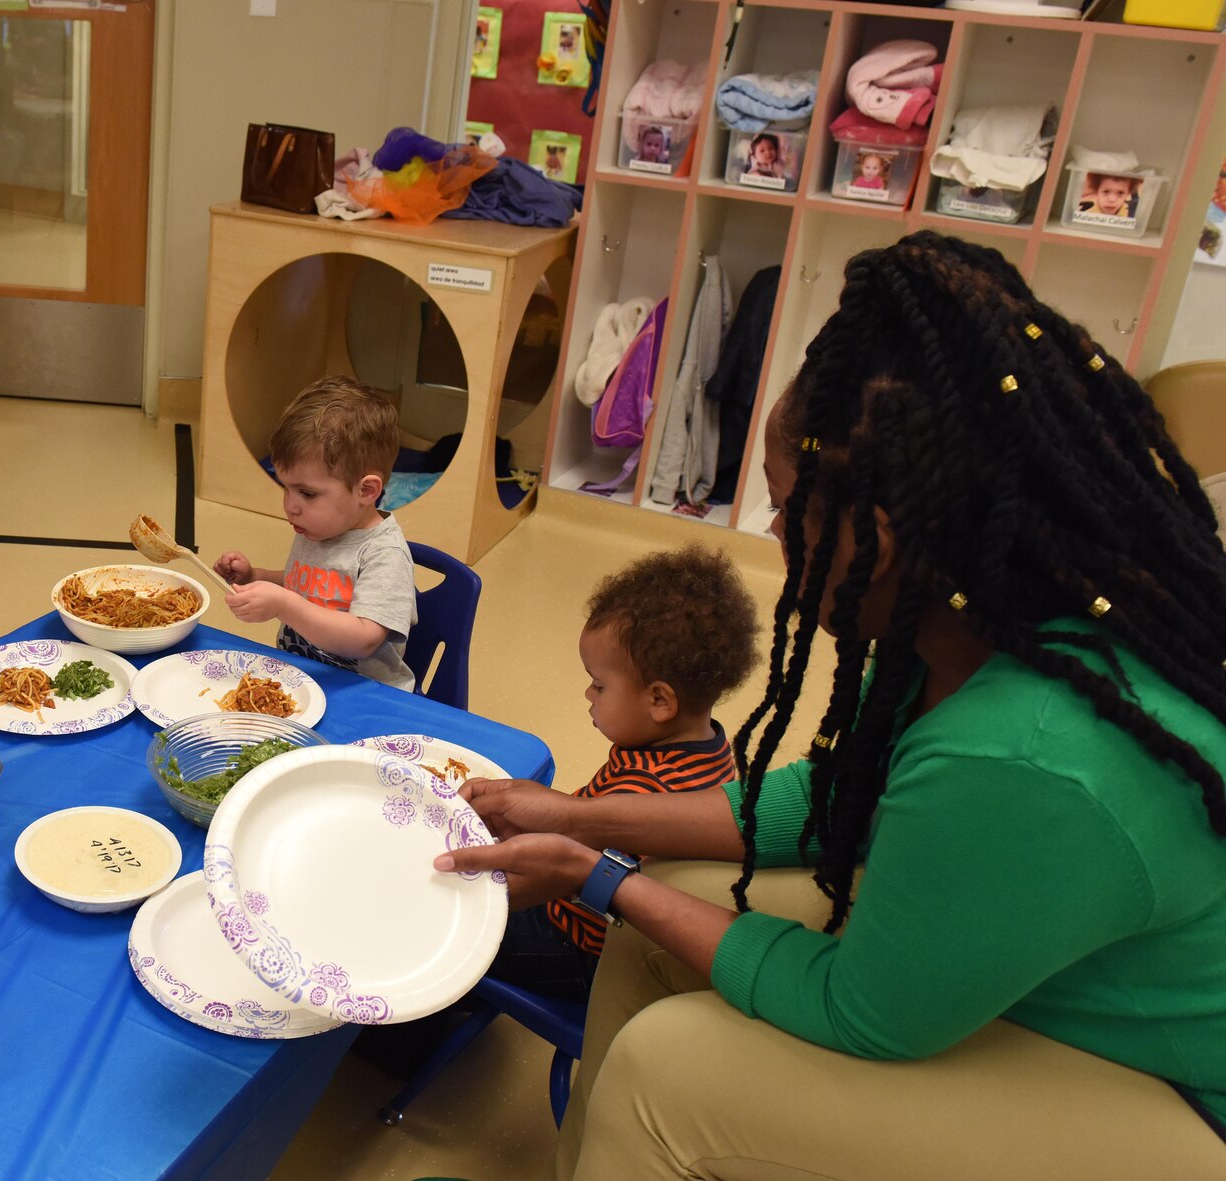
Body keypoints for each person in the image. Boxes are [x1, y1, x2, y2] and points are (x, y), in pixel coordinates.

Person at [438, 231, 1226, 1177]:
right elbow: (835, 796)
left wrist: (601, 876)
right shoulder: (967, 623)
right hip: (1058, 963)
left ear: (875, 539)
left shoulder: (1024, 751)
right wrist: (581, 816)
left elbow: (865, 1011)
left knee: (666, 1074)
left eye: (783, 506)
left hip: (1181, 1100)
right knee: (668, 911)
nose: (771, 534)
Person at [489, 546, 758, 999]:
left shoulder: (643, 791)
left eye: (599, 683)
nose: (587, 693)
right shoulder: (708, 742)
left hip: (573, 946)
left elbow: (561, 877)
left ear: (659, 701)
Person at [213, 377, 417, 691]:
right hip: (303, 679)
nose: (290, 506)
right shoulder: (319, 526)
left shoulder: (385, 554)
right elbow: (308, 583)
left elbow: (364, 639)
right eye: (285, 487)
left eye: (307, 494)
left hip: (362, 694)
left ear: (366, 490)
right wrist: (255, 576)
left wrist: (283, 606)